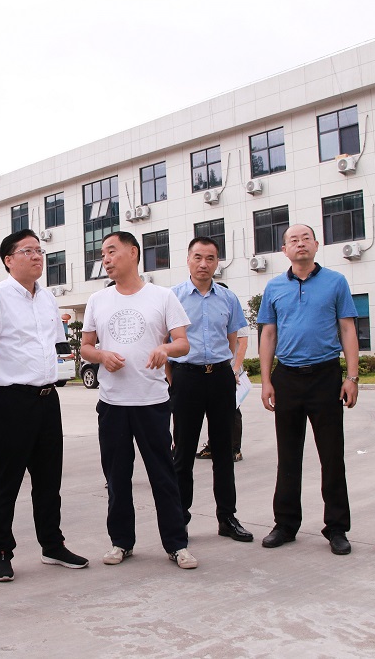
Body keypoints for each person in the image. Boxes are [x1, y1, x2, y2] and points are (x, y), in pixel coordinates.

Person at [0, 229, 88, 582]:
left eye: (39, 250)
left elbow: (55, 346)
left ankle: (52, 545)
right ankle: (1, 552)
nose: (37, 256)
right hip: (11, 401)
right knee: (6, 480)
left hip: (48, 400)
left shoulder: (48, 298)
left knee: (49, 479)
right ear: (8, 260)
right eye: (28, 251)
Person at [81, 231, 198, 569]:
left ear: (133, 253)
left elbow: (183, 343)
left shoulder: (162, 297)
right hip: (113, 404)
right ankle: (121, 542)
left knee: (163, 476)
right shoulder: (97, 300)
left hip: (152, 402)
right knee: (117, 478)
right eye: (102, 254)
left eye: (112, 251)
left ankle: (176, 544)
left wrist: (165, 348)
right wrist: (102, 356)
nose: (105, 259)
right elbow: (86, 347)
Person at [258, 224, 360, 556]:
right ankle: (286, 524)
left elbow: (347, 328)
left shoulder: (336, 282)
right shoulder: (274, 286)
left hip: (325, 376)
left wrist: (352, 377)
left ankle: (337, 527)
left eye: (305, 239)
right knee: (288, 455)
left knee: (332, 455)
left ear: (316, 245)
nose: (300, 244)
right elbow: (268, 334)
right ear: (284, 250)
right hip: (287, 377)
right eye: (293, 240)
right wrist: (266, 380)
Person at [169, 237, 252, 543]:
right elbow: (165, 341)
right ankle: (180, 518)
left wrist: (228, 368)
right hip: (186, 378)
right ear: (188, 259)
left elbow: (233, 338)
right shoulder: (173, 297)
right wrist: (173, 379)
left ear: (218, 262)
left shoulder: (227, 298)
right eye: (198, 257)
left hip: (219, 378)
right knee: (183, 453)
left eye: (210, 258)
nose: (204, 264)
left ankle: (227, 518)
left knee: (223, 451)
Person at [197, 325, 248, 461]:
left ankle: (235, 449)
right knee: (212, 409)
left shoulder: (235, 315)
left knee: (233, 409)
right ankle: (212, 446)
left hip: (231, 371)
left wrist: (235, 369)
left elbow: (243, 343)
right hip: (214, 370)